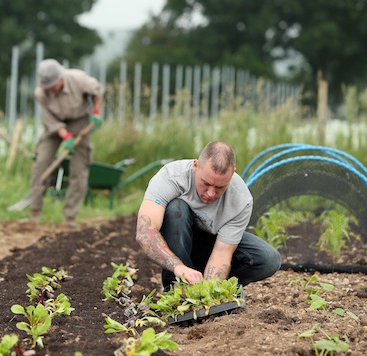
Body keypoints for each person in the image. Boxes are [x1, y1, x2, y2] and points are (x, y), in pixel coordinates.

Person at [136, 141, 281, 291]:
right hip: (177, 240)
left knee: (268, 259)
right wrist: (178, 267)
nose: (211, 193)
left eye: (220, 187)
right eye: (205, 183)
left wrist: (208, 292)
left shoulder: (241, 199)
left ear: (232, 174)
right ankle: (177, 289)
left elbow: (222, 252)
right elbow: (145, 232)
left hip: (211, 243)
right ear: (195, 166)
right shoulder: (172, 177)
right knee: (176, 208)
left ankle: (213, 288)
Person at [29, 58, 105, 228]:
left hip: (80, 122)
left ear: (60, 79)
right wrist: (66, 137)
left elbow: (99, 92)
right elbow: (50, 120)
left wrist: (95, 111)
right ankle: (35, 212)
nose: (49, 90)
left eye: (52, 86)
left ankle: (69, 217)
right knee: (41, 164)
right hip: (55, 127)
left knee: (79, 169)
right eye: (46, 87)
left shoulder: (79, 79)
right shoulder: (41, 93)